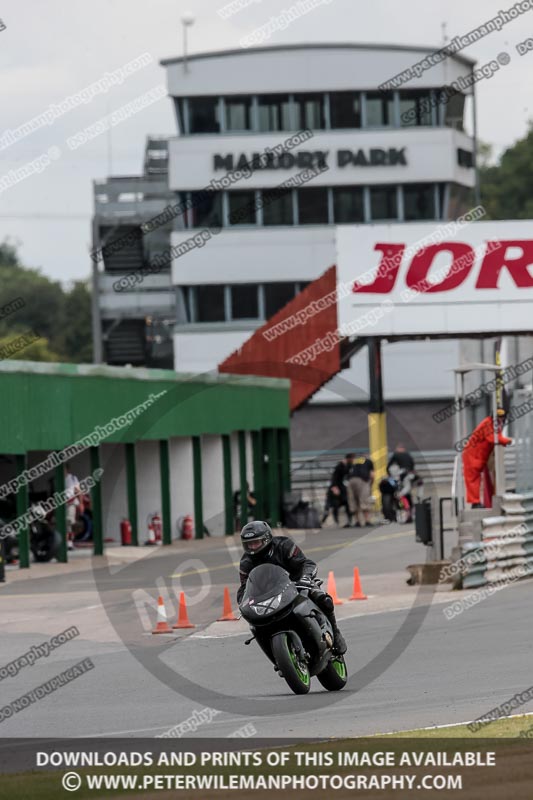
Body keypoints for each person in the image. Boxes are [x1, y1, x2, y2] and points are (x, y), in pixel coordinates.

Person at [236, 520, 347, 654]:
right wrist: (243, 602)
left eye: (256, 543)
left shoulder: (284, 545)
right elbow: (244, 587)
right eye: (249, 544)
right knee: (254, 624)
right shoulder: (246, 562)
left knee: (323, 599)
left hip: (296, 584)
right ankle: (277, 656)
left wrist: (305, 578)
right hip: (268, 595)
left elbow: (307, 564)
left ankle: (335, 632)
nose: (252, 547)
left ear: (266, 539)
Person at [462, 410, 513, 508]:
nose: (501, 420)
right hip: (472, 455)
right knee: (473, 480)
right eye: (500, 418)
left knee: (475, 480)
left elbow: (497, 437)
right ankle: (475, 503)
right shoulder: (488, 424)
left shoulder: (493, 424)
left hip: (477, 456)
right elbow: (493, 438)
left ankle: (476, 502)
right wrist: (508, 441)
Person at [322, 453, 354, 527]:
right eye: (352, 458)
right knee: (332, 505)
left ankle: (349, 521)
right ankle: (326, 521)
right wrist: (334, 487)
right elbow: (334, 477)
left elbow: (347, 474)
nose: (353, 460)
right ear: (348, 458)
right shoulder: (339, 466)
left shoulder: (348, 465)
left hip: (341, 487)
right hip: (335, 487)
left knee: (347, 503)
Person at [347, 453, 375, 527]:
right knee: (364, 500)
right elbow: (372, 475)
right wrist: (371, 484)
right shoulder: (369, 461)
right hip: (362, 480)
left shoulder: (355, 461)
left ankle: (357, 522)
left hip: (351, 481)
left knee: (353, 501)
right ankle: (367, 521)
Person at [64, 463, 81, 550]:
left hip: (71, 503)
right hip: (62, 505)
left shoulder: (72, 478)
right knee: (64, 524)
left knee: (69, 523)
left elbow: (78, 491)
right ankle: (66, 542)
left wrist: (81, 504)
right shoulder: (58, 480)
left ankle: (70, 543)